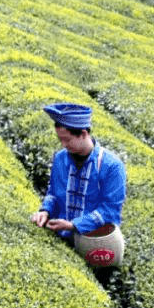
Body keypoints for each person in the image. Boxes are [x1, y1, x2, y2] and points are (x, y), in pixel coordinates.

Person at [30, 102, 127, 271]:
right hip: (62, 238)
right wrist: (45, 211)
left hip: (95, 244)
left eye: (67, 140)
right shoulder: (61, 158)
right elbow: (53, 193)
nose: (63, 145)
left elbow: (110, 210)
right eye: (60, 140)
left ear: (83, 134)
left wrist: (74, 225)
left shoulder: (111, 166)